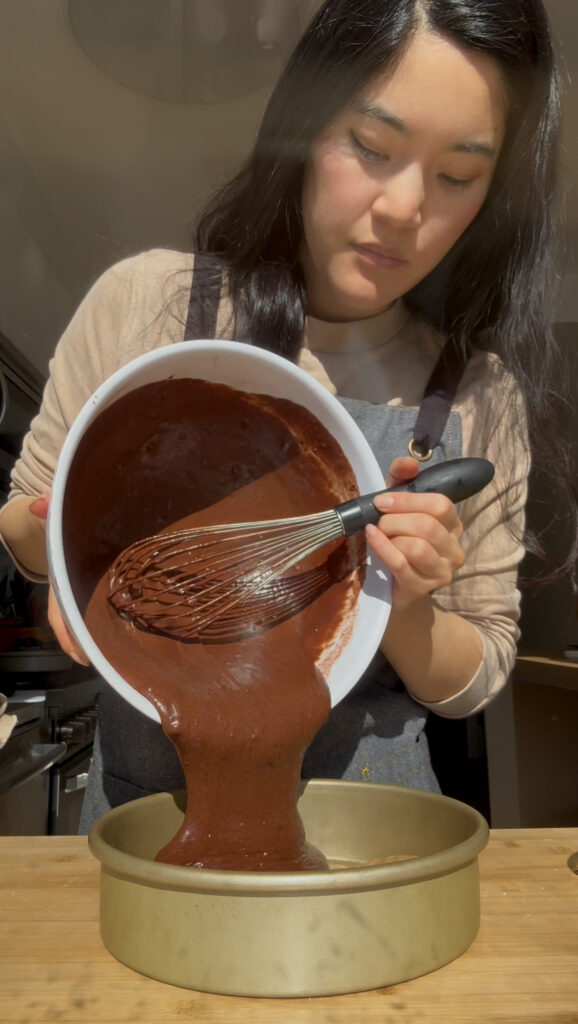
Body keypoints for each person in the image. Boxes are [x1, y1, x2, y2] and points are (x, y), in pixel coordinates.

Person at [0, 0, 574, 825]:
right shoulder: (146, 307)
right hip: (151, 820)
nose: (404, 207)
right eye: (371, 146)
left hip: (368, 829)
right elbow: (23, 526)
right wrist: (59, 540)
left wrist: (407, 599)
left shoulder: (479, 395)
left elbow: (476, 677)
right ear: (305, 127)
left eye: (457, 176)